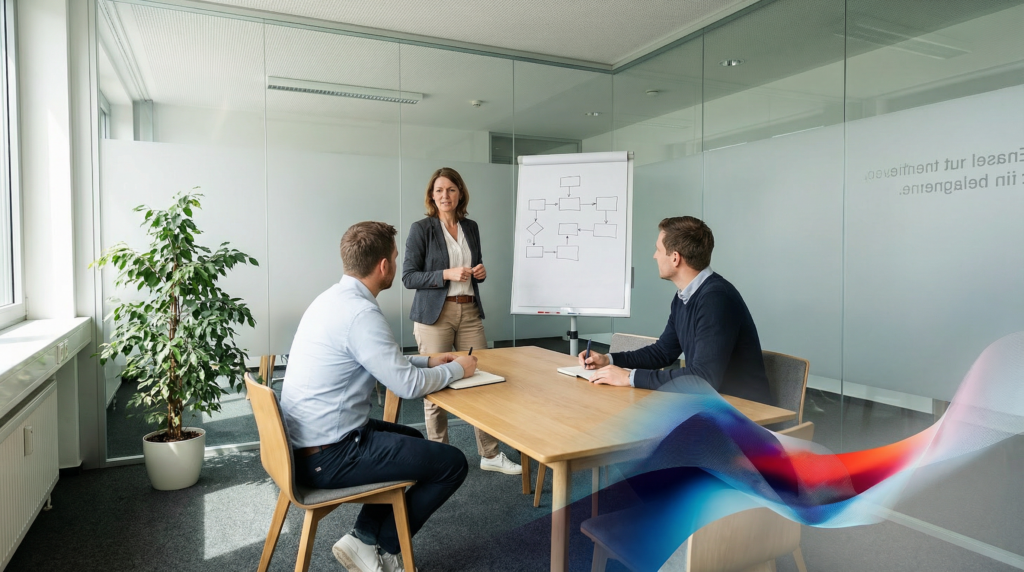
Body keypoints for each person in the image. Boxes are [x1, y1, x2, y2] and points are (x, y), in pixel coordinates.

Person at [280, 221, 477, 572]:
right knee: (452, 464)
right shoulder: (361, 313)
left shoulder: (331, 299)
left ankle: (363, 538)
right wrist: (461, 369)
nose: (396, 265)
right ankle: (383, 546)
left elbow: (378, 360)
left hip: (308, 443)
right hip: (331, 455)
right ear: (383, 266)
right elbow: (408, 386)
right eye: (396, 258)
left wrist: (430, 360)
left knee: (414, 438)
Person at [402, 167, 522, 476]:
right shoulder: (422, 229)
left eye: (451, 190)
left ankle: (490, 454)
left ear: (460, 194)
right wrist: (446, 274)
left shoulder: (471, 226)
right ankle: (438, 459)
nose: (445, 195)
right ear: (432, 195)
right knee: (436, 387)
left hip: (469, 311)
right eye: (439, 190)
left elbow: (474, 268)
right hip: (435, 317)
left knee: (483, 380)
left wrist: (480, 273)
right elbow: (408, 276)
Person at [579, 216, 773, 405]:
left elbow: (703, 379)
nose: (654, 255)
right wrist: (608, 359)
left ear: (675, 258)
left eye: (658, 249)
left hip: (743, 414)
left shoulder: (716, 298)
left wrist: (630, 377)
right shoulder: (684, 296)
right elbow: (663, 352)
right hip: (709, 406)